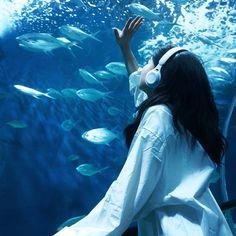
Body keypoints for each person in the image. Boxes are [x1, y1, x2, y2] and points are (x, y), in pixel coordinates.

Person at [54, 16, 233, 236]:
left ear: (157, 76)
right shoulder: (183, 117)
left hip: (173, 228)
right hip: (205, 224)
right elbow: (140, 92)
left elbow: (128, 192)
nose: (142, 69)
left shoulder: (159, 116)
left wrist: (75, 233)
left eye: (147, 63)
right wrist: (125, 48)